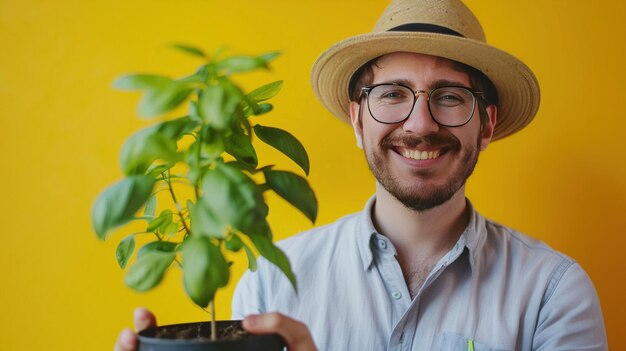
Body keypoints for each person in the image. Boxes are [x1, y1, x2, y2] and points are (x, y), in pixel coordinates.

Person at [115, 0, 608, 350]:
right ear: (357, 120)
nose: (420, 124)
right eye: (392, 94)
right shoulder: (271, 280)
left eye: (451, 96)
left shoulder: (552, 291)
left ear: (487, 125)